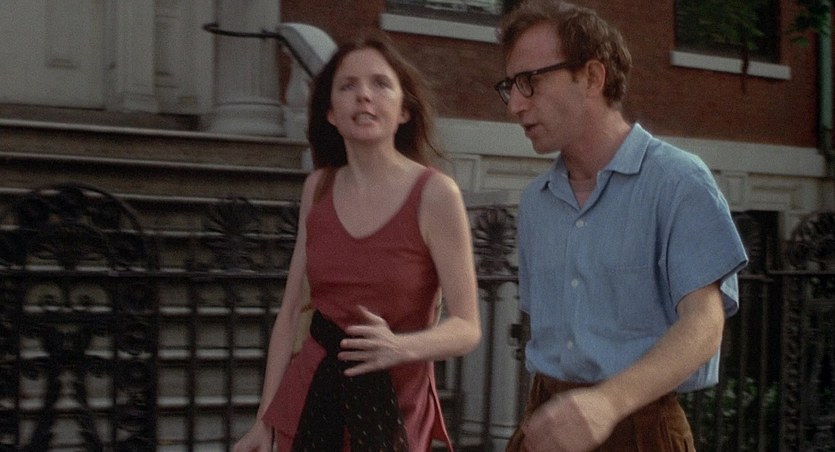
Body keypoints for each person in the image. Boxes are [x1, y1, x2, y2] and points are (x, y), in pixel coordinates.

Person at [494, 1, 749, 451]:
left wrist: (608, 403)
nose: (515, 105)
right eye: (510, 86)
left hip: (642, 428)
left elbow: (706, 324)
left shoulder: (678, 181)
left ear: (593, 77)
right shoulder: (536, 202)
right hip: (547, 425)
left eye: (530, 81)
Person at [233, 32, 481, 452]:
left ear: (404, 110)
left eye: (380, 84)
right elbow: (290, 314)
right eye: (348, 86)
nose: (363, 95)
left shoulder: (436, 194)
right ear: (331, 113)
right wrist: (263, 420)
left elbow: (467, 327)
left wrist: (398, 347)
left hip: (394, 411)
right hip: (309, 403)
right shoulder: (318, 187)